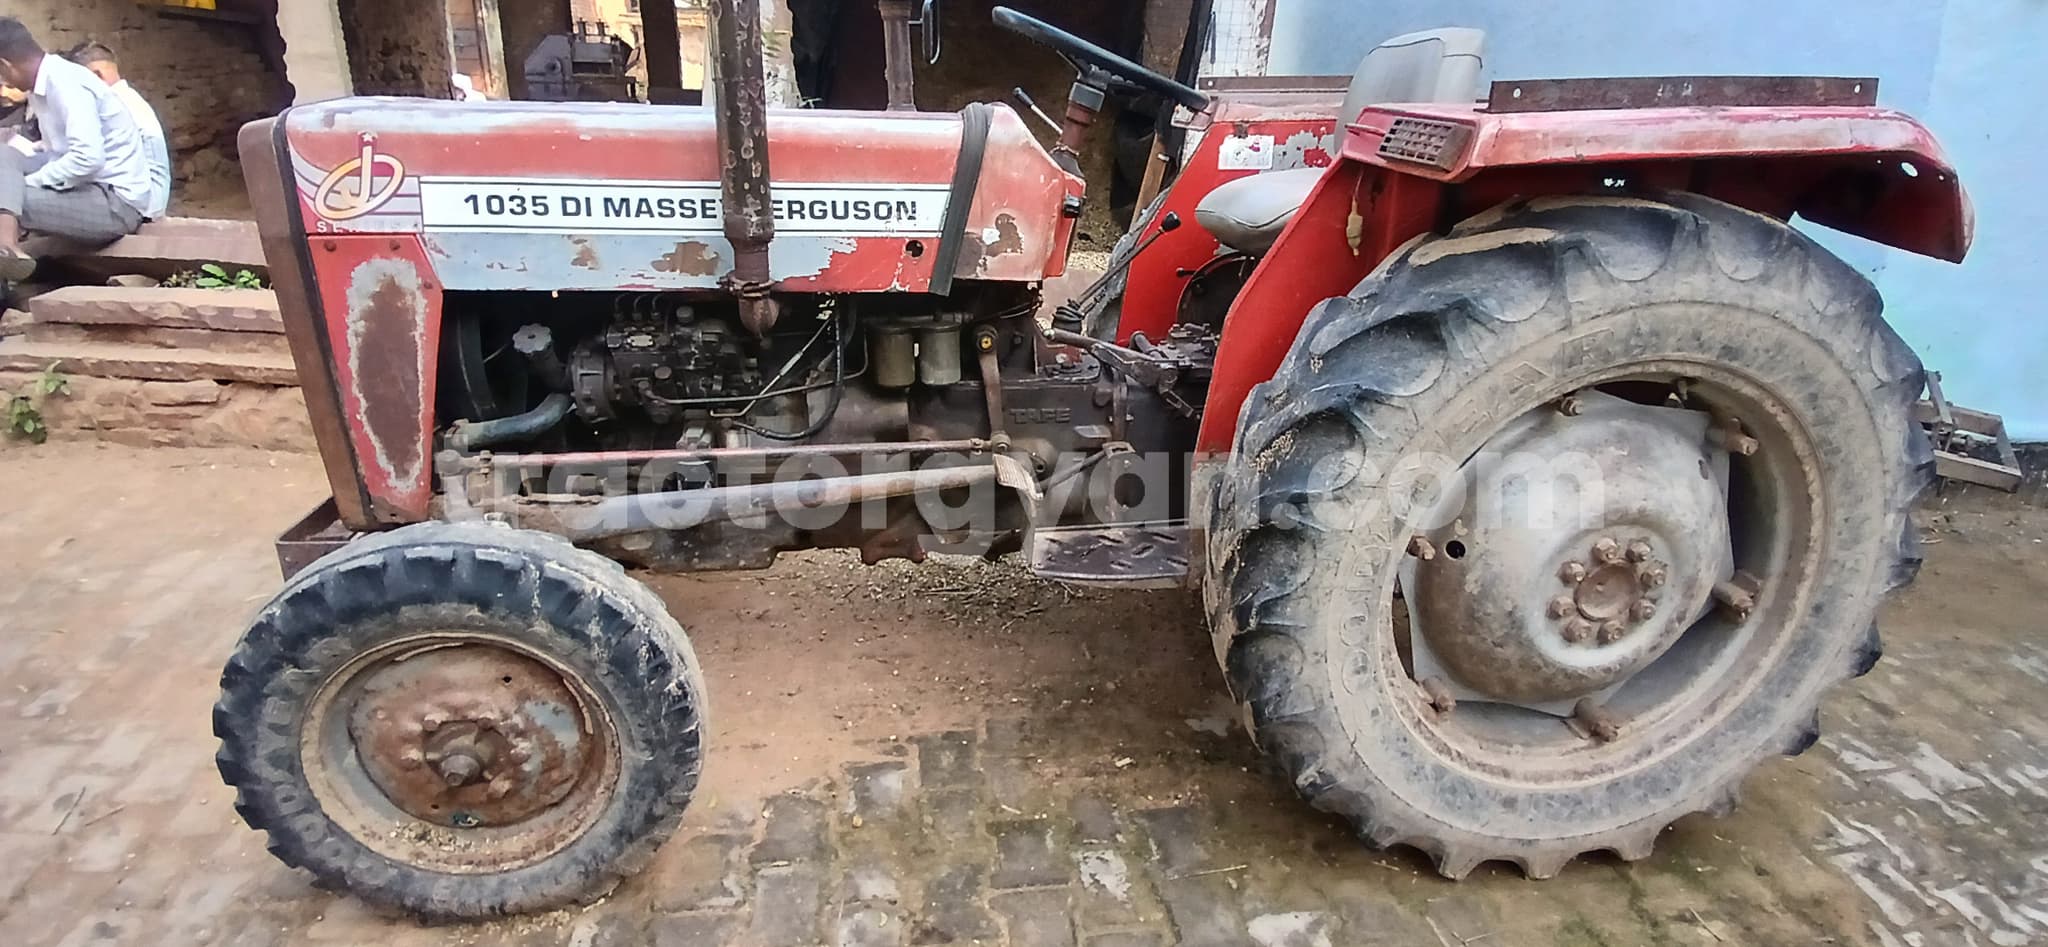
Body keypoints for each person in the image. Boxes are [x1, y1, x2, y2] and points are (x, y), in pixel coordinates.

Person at [0, 18, 153, 280]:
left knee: (8, 190)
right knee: (5, 157)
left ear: (5, 65)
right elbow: (59, 153)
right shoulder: (43, 86)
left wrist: (28, 183)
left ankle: (6, 245)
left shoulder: (67, 84)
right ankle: (7, 244)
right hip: (87, 189)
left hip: (114, 205)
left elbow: (87, 159)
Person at [68, 41, 169, 222]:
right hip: (148, 199)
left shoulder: (114, 106)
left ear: (96, 75)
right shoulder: (130, 100)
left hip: (140, 205)